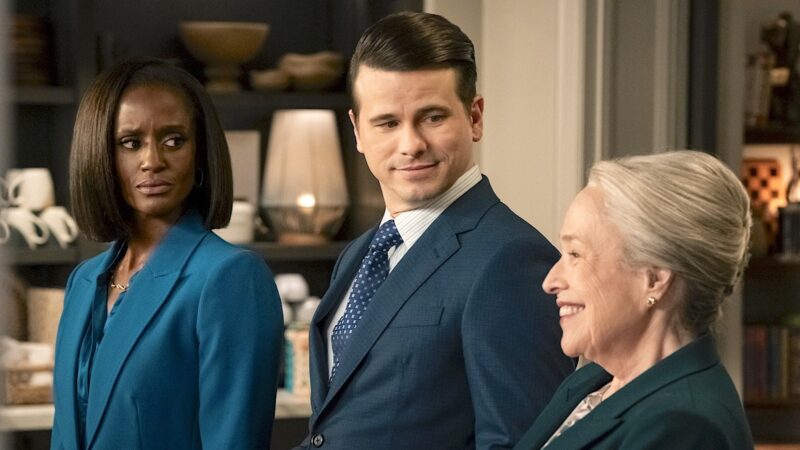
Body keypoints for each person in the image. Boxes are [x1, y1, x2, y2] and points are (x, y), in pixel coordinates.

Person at [296, 11, 574, 450]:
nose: (411, 145)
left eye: (432, 117)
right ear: (357, 131)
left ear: (475, 117)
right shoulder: (359, 254)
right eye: (388, 123)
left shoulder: (512, 260)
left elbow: (519, 442)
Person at [51, 57, 283, 450]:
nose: (152, 161)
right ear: (101, 155)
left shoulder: (230, 277)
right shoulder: (83, 281)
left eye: (174, 140)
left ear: (200, 154)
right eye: (130, 143)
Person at [514, 150, 754, 449]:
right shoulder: (591, 381)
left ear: (653, 279)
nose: (550, 281)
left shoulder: (684, 428)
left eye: (575, 254)